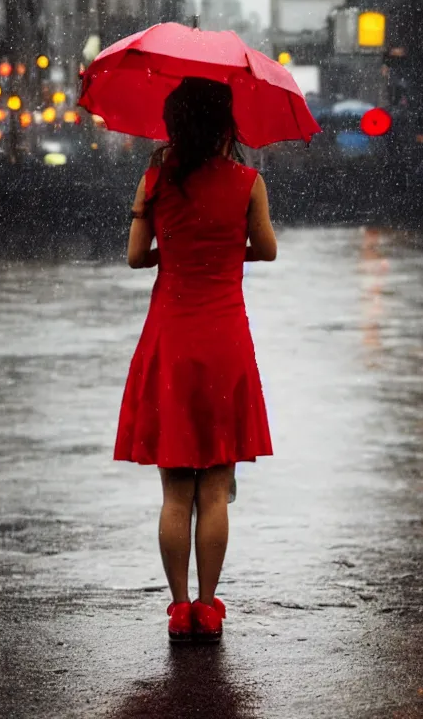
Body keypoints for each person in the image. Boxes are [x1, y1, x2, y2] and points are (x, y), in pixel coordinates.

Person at [114, 77, 276, 643]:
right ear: (226, 124)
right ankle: (210, 607)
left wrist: (171, 245)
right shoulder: (248, 182)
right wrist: (227, 243)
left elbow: (137, 258)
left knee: (175, 492)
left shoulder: (156, 179)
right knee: (215, 490)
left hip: (171, 340)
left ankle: (179, 608)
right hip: (225, 340)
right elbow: (268, 249)